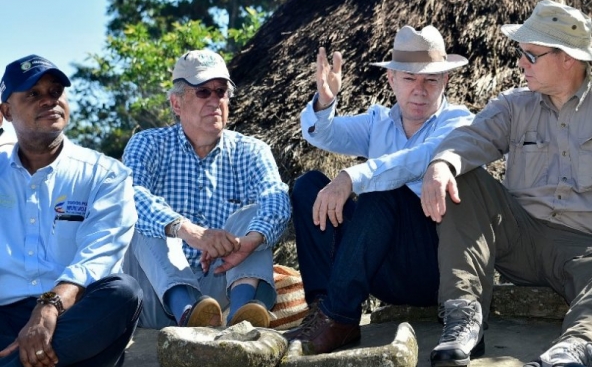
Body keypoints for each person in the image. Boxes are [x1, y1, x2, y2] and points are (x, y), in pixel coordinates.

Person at [420, 0, 592, 367]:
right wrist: (442, 164)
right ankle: (463, 320)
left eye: (530, 54)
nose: (521, 62)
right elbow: (469, 140)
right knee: (465, 178)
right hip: (519, 239)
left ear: (567, 58)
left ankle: (573, 350)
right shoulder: (513, 106)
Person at [284, 25, 473, 354]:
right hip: (381, 268)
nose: (420, 90)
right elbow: (321, 134)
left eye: (430, 79)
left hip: (431, 265)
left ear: (445, 81)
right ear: (392, 80)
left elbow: (413, 161)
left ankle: (339, 317)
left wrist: (350, 178)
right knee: (308, 186)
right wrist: (325, 103)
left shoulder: (457, 121)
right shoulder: (378, 121)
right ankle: (324, 310)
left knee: (385, 190)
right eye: (409, 78)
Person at [122, 49, 291, 329]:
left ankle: (241, 316)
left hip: (218, 296)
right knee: (138, 210)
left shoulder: (251, 150)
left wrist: (247, 242)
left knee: (258, 214)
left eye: (221, 91)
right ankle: (186, 309)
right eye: (203, 92)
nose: (215, 100)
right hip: (152, 297)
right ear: (177, 104)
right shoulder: (147, 143)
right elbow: (131, 196)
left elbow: (277, 202)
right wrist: (189, 231)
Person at [0, 55, 141, 367]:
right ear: (6, 111)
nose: (49, 101)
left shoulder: (104, 173)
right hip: (4, 318)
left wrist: (49, 306)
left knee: (125, 292)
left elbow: (99, 253)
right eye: (33, 94)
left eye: (55, 91)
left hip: (72, 315)